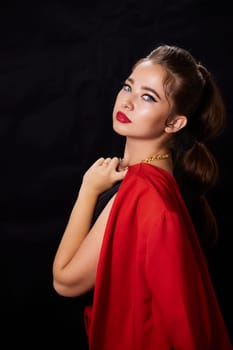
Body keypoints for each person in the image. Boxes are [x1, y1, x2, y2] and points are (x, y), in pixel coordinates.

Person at [52, 44, 232, 350]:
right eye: (128, 86)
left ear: (174, 123)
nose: (128, 101)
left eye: (148, 97)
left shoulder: (141, 192)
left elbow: (65, 282)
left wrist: (88, 189)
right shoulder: (161, 182)